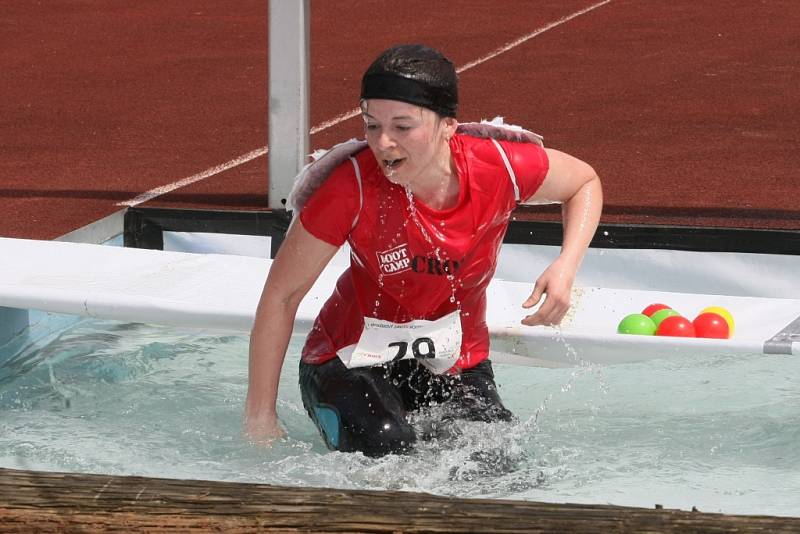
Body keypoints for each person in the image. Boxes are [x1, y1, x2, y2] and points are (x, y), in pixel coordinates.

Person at [245, 44, 602, 457]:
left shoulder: (500, 166)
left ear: (448, 125)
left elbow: (583, 182)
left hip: (454, 360)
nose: (383, 143)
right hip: (345, 360)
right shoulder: (350, 188)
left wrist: (566, 265)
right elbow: (281, 295)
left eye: (402, 127)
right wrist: (260, 419)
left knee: (495, 459)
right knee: (386, 449)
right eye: (371, 125)